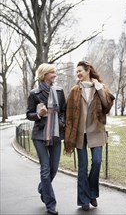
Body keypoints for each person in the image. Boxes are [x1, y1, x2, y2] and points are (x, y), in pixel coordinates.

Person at [64, 60, 115, 211]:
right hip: (80, 133)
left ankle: (92, 193)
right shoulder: (74, 90)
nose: (78, 73)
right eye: (77, 72)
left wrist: (99, 88)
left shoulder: (100, 87)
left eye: (80, 71)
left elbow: (107, 105)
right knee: (82, 166)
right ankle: (84, 200)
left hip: (96, 131)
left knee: (98, 161)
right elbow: (69, 112)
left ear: (88, 71)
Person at [26, 63, 66, 215]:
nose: (55, 75)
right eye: (52, 73)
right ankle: (50, 204)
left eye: (55, 72)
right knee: (45, 169)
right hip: (40, 136)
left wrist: (61, 122)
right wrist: (39, 114)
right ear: (44, 75)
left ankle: (42, 188)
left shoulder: (59, 91)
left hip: (55, 135)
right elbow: (29, 114)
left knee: (53, 168)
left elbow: (63, 110)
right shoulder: (34, 93)